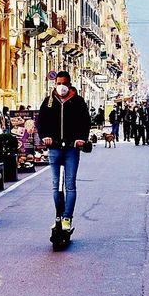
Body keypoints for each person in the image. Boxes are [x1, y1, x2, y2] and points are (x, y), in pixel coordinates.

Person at [36, 71, 91, 232]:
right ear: (55, 84)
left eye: (64, 83)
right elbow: (41, 123)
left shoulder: (78, 102)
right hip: (54, 148)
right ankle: (58, 217)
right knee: (55, 186)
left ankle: (67, 218)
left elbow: (85, 122)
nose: (61, 86)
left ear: (69, 84)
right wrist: (44, 136)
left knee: (70, 185)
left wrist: (81, 138)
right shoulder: (48, 102)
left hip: (72, 149)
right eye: (58, 83)